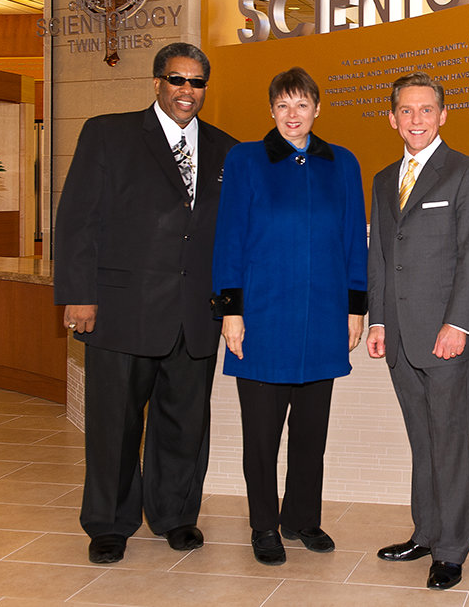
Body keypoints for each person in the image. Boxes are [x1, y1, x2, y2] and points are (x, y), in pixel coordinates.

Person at [54, 42, 237, 565]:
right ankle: (109, 523)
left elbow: (230, 235)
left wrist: (231, 304)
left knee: (185, 424)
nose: (187, 91)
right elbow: (77, 220)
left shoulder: (227, 148)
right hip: (120, 309)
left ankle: (176, 516)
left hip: (194, 314)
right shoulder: (108, 134)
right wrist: (79, 296)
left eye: (197, 82)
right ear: (157, 82)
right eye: (177, 80)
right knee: (114, 424)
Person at [211, 67, 367, 567]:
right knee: (261, 436)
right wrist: (230, 312)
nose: (293, 115)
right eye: (283, 105)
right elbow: (229, 235)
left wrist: (355, 307)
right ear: (271, 111)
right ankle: (263, 525)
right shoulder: (245, 159)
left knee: (310, 434)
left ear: (317, 110)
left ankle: (302, 518)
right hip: (261, 318)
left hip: (322, 318)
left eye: (302, 105)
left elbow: (351, 241)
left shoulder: (342, 163)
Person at [366, 72, 469, 591]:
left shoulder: (467, 174)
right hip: (399, 335)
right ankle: (426, 532)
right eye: (406, 110)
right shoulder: (381, 179)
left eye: (426, 110)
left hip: (447, 336)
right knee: (423, 441)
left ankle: (452, 547)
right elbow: (380, 257)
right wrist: (377, 320)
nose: (415, 119)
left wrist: (459, 323)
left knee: (450, 443)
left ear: (442, 115)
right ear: (392, 117)